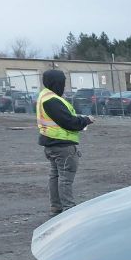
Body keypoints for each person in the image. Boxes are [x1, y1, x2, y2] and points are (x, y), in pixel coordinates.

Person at [36, 69, 94, 215]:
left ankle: (56, 206)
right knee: (65, 178)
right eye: (63, 82)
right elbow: (68, 122)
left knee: (56, 176)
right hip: (62, 146)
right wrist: (86, 120)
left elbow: (64, 118)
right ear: (58, 83)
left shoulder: (45, 97)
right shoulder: (52, 100)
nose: (64, 86)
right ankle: (68, 209)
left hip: (52, 144)